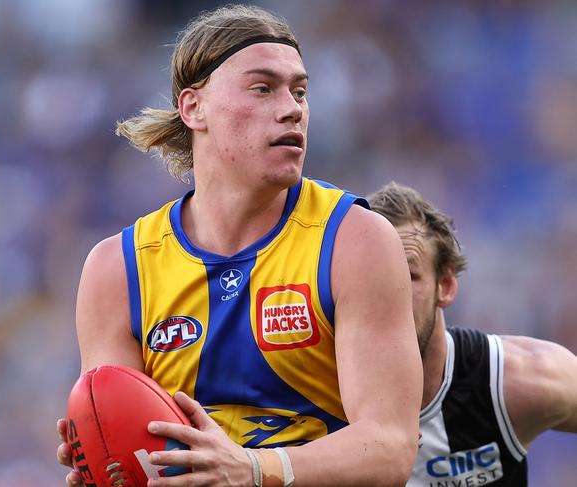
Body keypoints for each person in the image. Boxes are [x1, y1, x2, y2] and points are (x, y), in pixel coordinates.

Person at [57, 5, 423, 487]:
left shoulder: (354, 240)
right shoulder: (118, 270)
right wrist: (108, 466)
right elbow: (126, 441)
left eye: (300, 91)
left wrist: (253, 469)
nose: (292, 107)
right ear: (194, 108)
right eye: (262, 87)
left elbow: (391, 448)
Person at [367, 181, 577, 486]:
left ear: (446, 285)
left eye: (409, 275)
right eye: (374, 274)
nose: (391, 290)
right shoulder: (312, 391)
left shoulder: (512, 383)